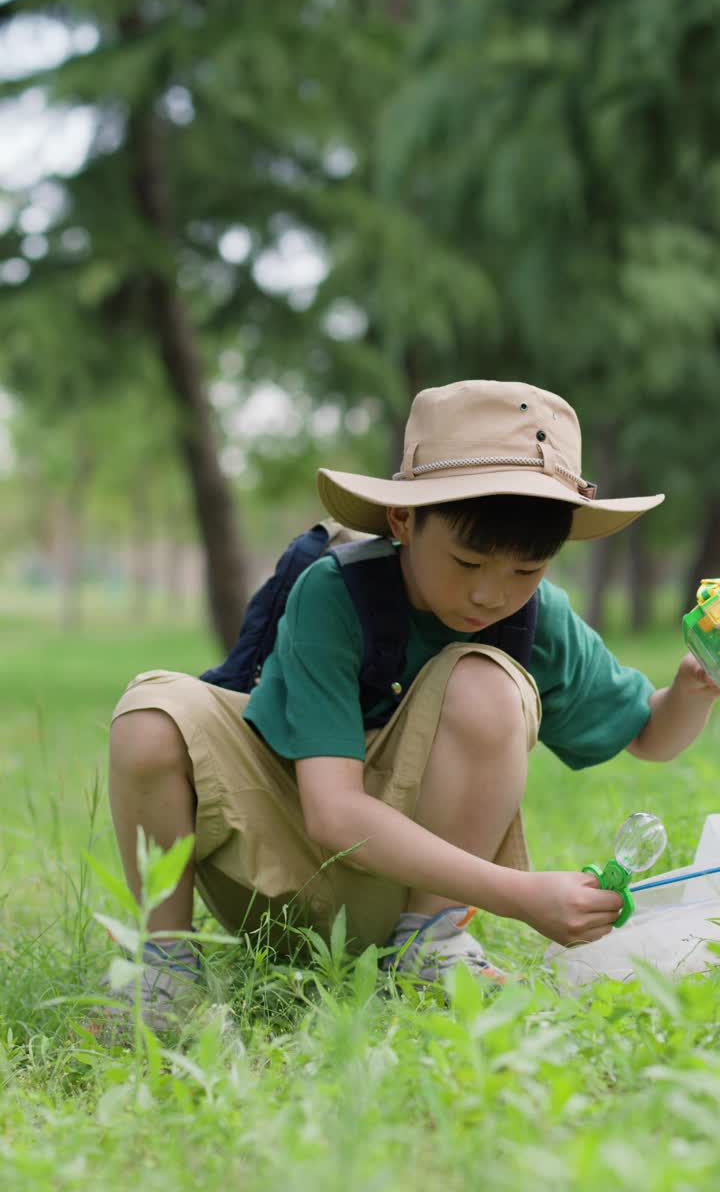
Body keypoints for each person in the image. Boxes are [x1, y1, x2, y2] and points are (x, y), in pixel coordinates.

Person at [103, 380, 720, 1028]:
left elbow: (650, 735)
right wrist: (522, 896)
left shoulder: (539, 619)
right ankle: (164, 972)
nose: (491, 595)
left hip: (415, 894)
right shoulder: (336, 594)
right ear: (403, 521)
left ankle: (432, 948)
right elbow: (334, 814)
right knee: (151, 716)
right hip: (278, 869)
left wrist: (691, 687)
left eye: (525, 570)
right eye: (467, 560)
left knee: (485, 681)